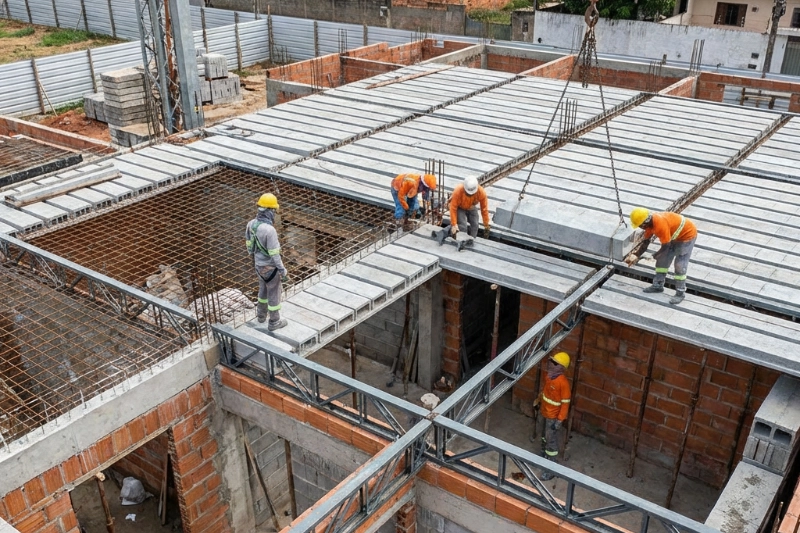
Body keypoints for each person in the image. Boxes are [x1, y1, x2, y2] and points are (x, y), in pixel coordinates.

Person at [628, 207, 697, 305]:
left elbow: (665, 247)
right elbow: (645, 243)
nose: (640, 228)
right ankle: (658, 286)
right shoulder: (649, 225)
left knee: (679, 265)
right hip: (672, 236)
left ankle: (680, 293)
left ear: (645, 222)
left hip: (687, 237)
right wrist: (636, 255)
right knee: (662, 261)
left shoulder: (660, 224)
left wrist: (656, 255)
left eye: (640, 226)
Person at [245, 193, 288, 331]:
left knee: (263, 289)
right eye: (274, 211)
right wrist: (283, 270)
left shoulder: (251, 224)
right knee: (274, 292)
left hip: (258, 266)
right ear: (270, 211)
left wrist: (255, 260)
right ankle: (274, 321)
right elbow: (275, 254)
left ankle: (261, 315)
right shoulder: (270, 230)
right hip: (270, 268)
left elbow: (249, 247)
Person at [534, 352, 571, 481]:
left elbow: (565, 404)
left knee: (551, 441)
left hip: (553, 417)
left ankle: (551, 468)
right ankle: (543, 455)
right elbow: (545, 392)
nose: (550, 364)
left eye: (554, 363)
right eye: (551, 361)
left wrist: (559, 420)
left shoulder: (563, 383)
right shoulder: (549, 377)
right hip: (544, 412)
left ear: (561, 368)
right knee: (544, 437)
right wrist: (539, 401)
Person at [434, 176, 490, 244]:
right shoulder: (458, 191)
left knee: (475, 225)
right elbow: (453, 208)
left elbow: (484, 209)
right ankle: (447, 235)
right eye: (468, 193)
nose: (470, 195)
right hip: (459, 208)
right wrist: (454, 224)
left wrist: (486, 224)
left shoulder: (481, 193)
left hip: (471, 207)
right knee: (462, 226)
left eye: (472, 194)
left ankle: (471, 241)